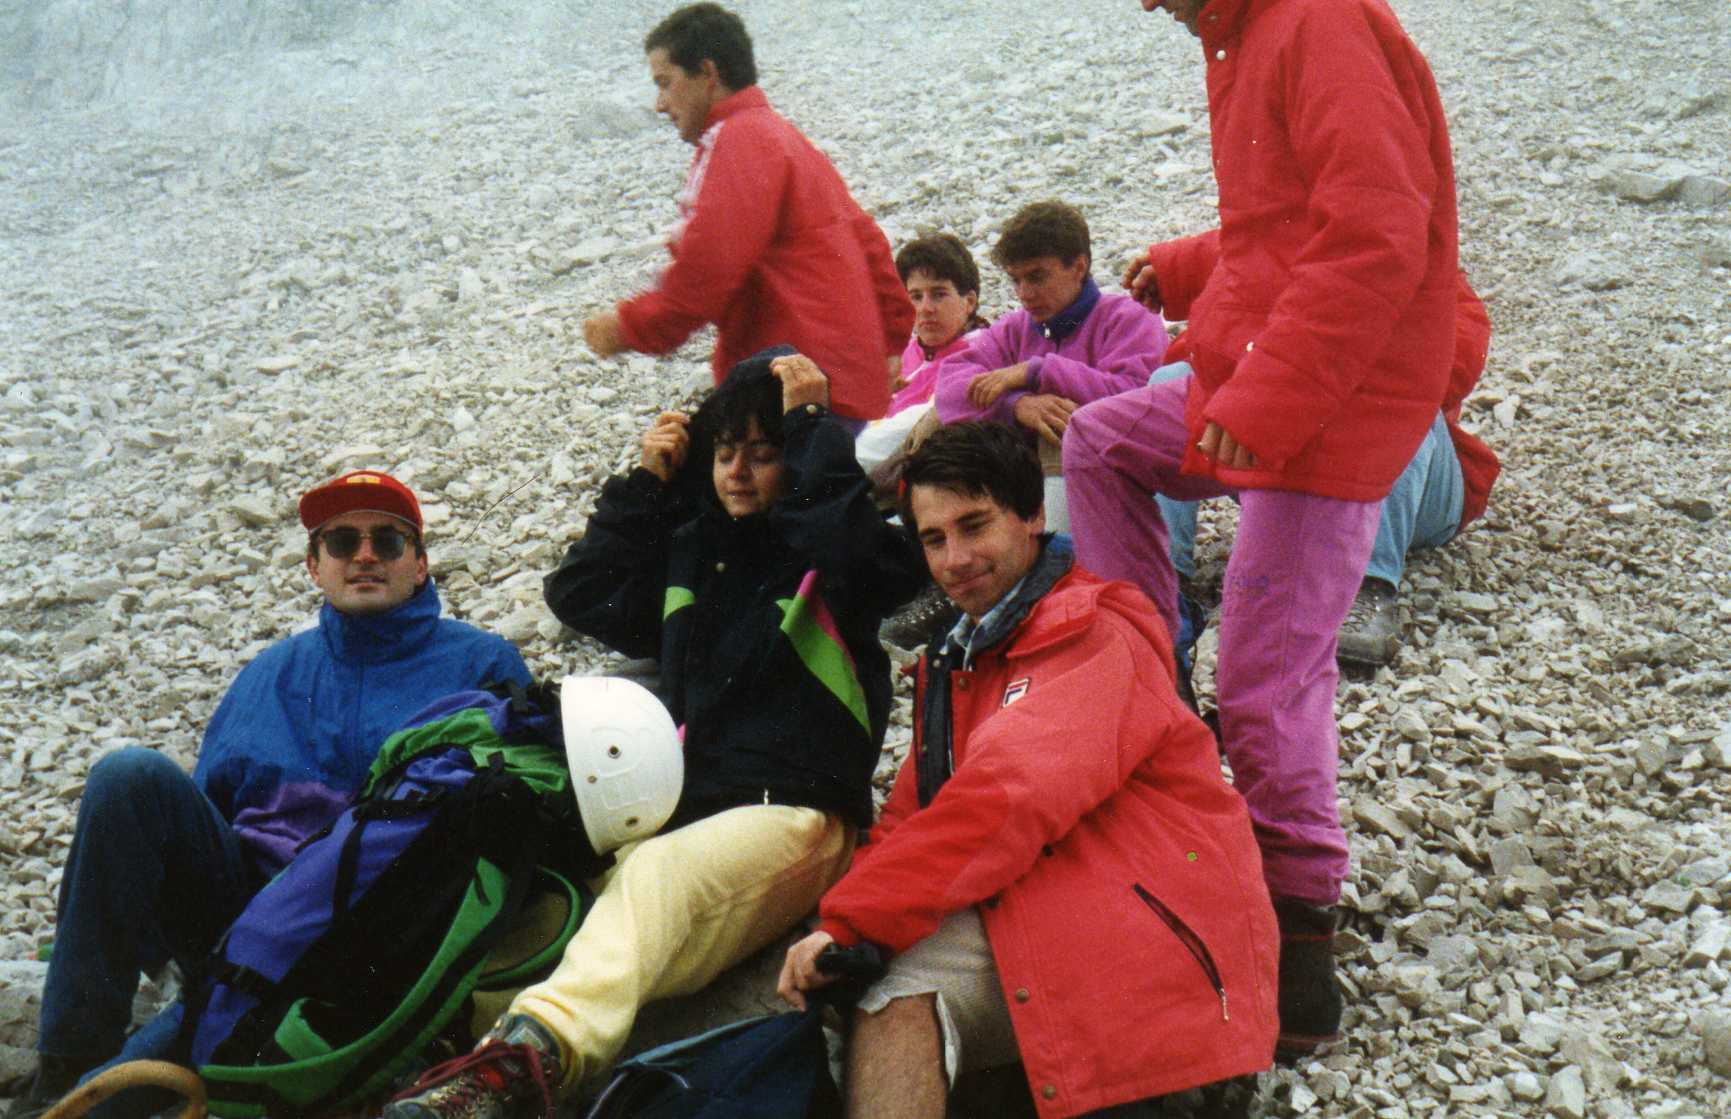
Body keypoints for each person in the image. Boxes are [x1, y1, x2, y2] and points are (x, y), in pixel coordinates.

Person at [1064, 0, 1461, 1061]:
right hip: (1270, 377)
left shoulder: (1316, 24)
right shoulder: (1245, 34)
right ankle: (1151, 682)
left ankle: (1303, 933)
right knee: (1101, 441)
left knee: (1269, 679)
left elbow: (1378, 233)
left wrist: (1267, 402)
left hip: (1335, 408)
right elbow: (1290, 223)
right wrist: (1191, 264)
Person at [384, 350, 925, 1119]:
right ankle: (449, 1065)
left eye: (763, 454)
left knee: (654, 879)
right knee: (545, 917)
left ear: (796, 461)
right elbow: (580, 592)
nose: (737, 471)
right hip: (686, 808)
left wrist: (813, 431)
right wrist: (645, 484)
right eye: (724, 451)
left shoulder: (828, 562)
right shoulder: (695, 554)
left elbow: (880, 567)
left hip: (798, 814)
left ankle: (527, 1063)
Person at [778, 422, 1277, 1119]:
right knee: (863, 979)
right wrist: (837, 927)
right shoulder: (957, 659)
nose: (954, 558)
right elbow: (909, 817)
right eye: (932, 538)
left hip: (1148, 945)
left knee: (895, 981)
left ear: (1033, 514)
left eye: (973, 525)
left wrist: (856, 920)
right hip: (1046, 905)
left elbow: (1006, 798)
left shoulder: (1094, 632)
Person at [4, 471, 531, 1119]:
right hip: (243, 919)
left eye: (388, 541)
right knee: (129, 774)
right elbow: (190, 827)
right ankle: (63, 1066)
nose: (364, 555)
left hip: (377, 935)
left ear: (419, 565)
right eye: (341, 540)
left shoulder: (483, 664)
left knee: (164, 1064)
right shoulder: (268, 674)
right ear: (315, 566)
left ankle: (103, 1092)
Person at [580, 3, 913, 426]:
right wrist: (889, 342)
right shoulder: (782, 135)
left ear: (708, 73)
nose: (660, 104)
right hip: (833, 385)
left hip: (788, 386)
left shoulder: (739, 140)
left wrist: (629, 327)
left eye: (665, 83)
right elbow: (867, 241)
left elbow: (710, 264)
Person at [1151, 272, 1500, 669]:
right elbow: (1197, 346)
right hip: (1293, 470)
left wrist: (1319, 370)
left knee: (1397, 397)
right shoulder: (1278, 258)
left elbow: (1454, 364)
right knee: (1173, 381)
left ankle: (1369, 587)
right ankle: (1164, 575)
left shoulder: (1422, 266)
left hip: (1415, 498)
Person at [934, 200, 1168, 532]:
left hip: (1110, 482)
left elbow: (1135, 396)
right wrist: (1017, 406)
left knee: (1060, 421)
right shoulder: (1015, 327)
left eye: (1037, 276)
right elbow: (949, 387)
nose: (1024, 293)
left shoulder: (1129, 318)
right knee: (937, 420)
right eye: (1016, 280)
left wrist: (1039, 371)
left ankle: (1055, 551)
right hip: (1019, 480)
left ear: (1079, 266)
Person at [853, 233, 991, 487]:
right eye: (915, 297)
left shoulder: (981, 352)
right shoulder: (907, 349)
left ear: (969, 301)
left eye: (939, 294)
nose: (925, 308)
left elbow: (909, 427)